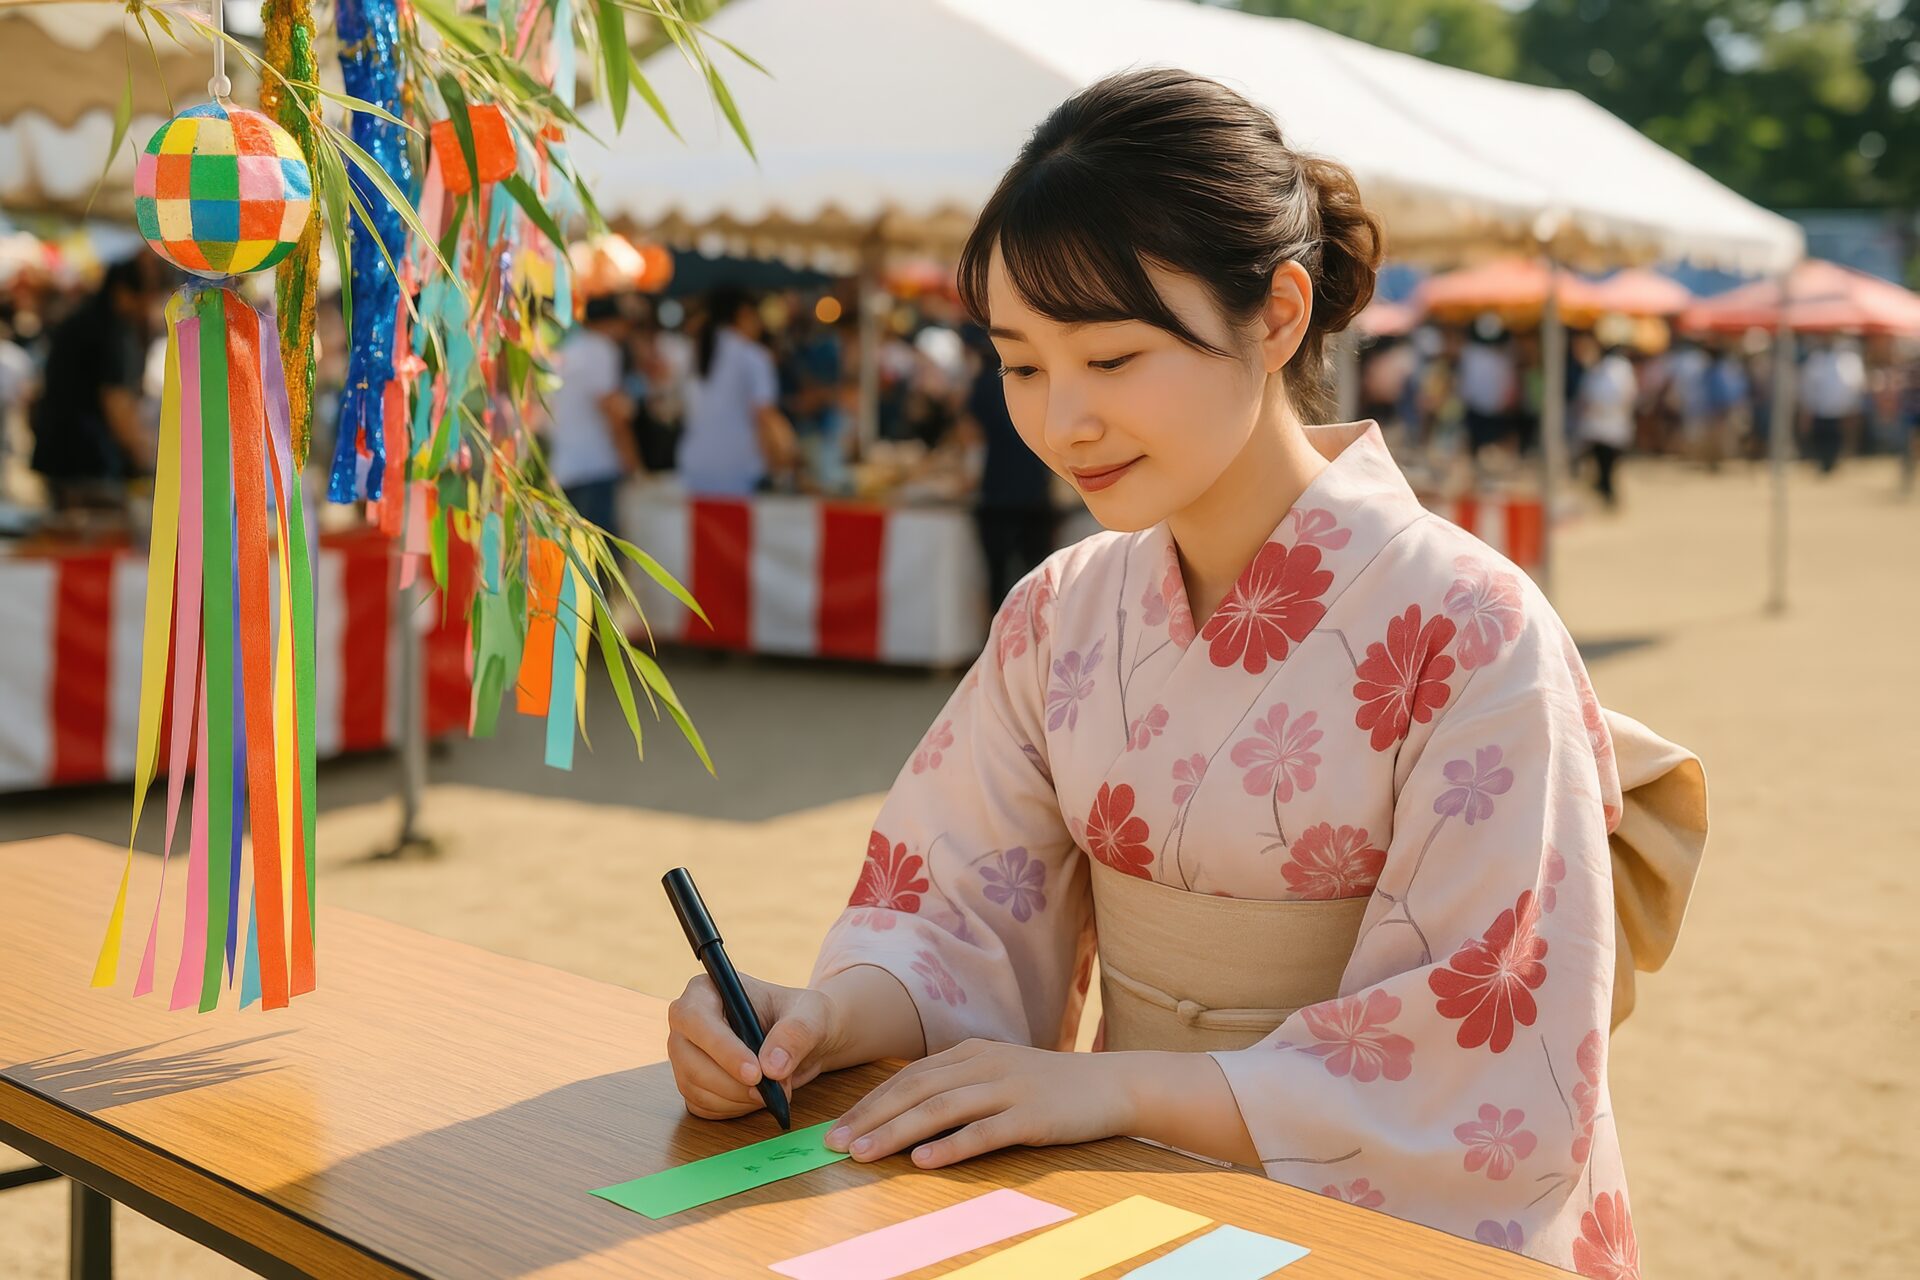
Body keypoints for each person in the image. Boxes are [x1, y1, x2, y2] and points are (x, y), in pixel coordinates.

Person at [664, 70, 1705, 1276]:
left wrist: (1115, 1090)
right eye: (1021, 365)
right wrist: (818, 1019)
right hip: (1125, 1174)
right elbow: (957, 914)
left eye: (1111, 357)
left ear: (1275, 315)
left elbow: (1477, 1063)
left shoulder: (1475, 629)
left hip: (1372, 1222)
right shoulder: (1061, 611)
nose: (1064, 422)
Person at [30, 256, 160, 510]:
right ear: (125, 292)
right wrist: (149, 461)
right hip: (87, 461)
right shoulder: (111, 330)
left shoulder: (82, 318)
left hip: (59, 454)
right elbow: (116, 403)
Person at [959, 321, 1057, 613]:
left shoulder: (983, 384)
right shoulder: (1037, 378)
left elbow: (971, 437)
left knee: (998, 575)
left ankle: (1002, 639)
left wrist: (969, 476)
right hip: (1034, 488)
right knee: (1041, 574)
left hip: (998, 490)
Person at [676, 286, 797, 494]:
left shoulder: (694, 353)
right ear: (744, 314)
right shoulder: (752, 356)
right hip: (735, 467)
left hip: (694, 462)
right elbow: (764, 415)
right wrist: (781, 459)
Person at [546, 294, 638, 534]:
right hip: (595, 465)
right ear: (613, 322)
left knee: (577, 551)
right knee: (601, 548)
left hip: (564, 465)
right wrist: (631, 457)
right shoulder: (601, 349)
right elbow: (611, 409)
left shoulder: (567, 349)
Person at [1578, 343, 1637, 507]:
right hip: (1607, 424)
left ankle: (1606, 489)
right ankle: (1605, 488)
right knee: (1606, 462)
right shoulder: (1617, 369)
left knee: (1606, 462)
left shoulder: (1608, 369)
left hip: (1606, 423)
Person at [1798, 336, 1866, 475]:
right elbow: (1809, 388)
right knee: (1822, 440)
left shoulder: (1848, 362)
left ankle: (1831, 464)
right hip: (1821, 411)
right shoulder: (1816, 360)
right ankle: (1824, 465)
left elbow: (1853, 387)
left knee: (1835, 441)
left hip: (1838, 413)